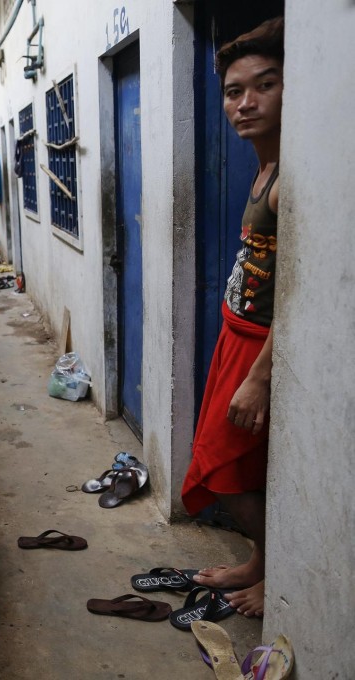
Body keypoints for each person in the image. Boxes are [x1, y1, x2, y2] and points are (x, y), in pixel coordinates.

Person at [181, 17, 284, 618]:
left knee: (227, 467)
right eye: (232, 91)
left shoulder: (287, 180)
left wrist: (260, 375)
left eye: (264, 86)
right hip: (235, 333)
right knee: (237, 459)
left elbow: (303, 291)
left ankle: (278, 567)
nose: (244, 103)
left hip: (259, 349)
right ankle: (262, 558)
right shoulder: (262, 167)